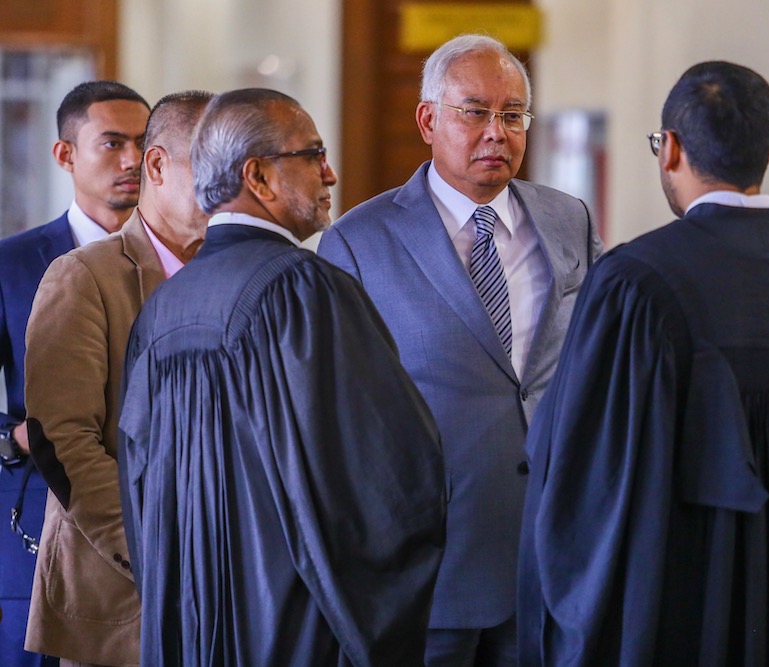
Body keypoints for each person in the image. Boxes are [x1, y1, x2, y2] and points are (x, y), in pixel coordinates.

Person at [518, 60, 769, 666]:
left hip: (667, 616)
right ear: (768, 148)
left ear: (671, 149)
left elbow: (575, 467)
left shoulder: (632, 285)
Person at [116, 88, 446, 666]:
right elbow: (387, 474)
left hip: (190, 624)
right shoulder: (302, 290)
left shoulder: (164, 307)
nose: (332, 174)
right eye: (314, 155)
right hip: (295, 625)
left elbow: (140, 490)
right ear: (259, 176)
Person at [318, 34, 602, 665]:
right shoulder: (359, 241)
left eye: (513, 115)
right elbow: (341, 420)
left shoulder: (569, 219)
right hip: (429, 560)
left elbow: (591, 360)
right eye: (475, 112)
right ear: (428, 119)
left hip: (551, 551)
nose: (497, 133)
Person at [21, 90, 211, 666]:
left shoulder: (238, 272)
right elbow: (66, 440)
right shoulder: (82, 276)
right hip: (121, 590)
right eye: (212, 162)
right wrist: (160, 552)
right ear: (161, 167)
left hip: (233, 591)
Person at [0, 80, 148, 667]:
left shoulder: (185, 261)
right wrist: (13, 437)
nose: (133, 160)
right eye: (112, 143)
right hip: (39, 521)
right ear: (65, 155)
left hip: (160, 526)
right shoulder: (12, 265)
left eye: (143, 143)